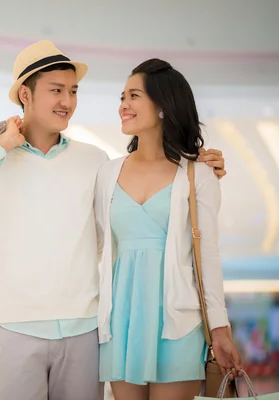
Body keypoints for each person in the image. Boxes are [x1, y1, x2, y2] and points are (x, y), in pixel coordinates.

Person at [0, 41, 226, 400]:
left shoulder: (95, 161)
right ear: (25, 93)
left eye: (73, 91)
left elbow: (105, 232)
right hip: (17, 327)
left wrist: (198, 165)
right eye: (56, 90)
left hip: (86, 331)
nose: (67, 101)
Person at [93, 59, 242, 400]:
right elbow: (91, 243)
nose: (123, 106)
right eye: (122, 97)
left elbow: (208, 256)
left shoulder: (198, 175)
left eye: (133, 96)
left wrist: (219, 327)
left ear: (162, 105)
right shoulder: (106, 174)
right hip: (120, 323)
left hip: (177, 323)